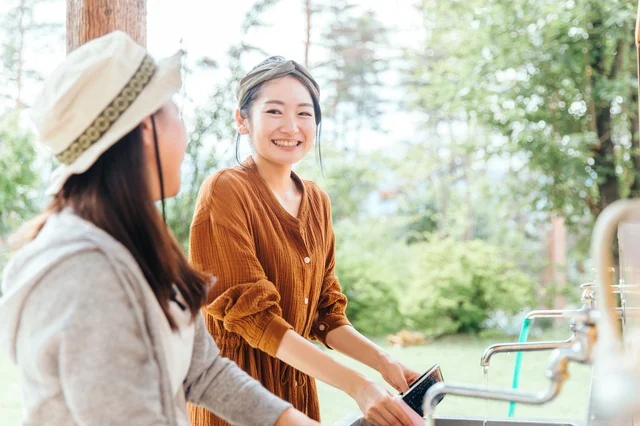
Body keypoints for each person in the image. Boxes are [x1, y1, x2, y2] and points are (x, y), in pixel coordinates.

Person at [0, 32, 317, 426]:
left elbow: (203, 371)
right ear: (146, 128)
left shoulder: (132, 241)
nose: (183, 134)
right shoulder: (85, 274)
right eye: (175, 114)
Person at [188, 56, 420, 426]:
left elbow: (326, 313)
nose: (291, 126)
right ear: (242, 120)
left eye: (304, 113)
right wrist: (358, 386)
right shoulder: (224, 191)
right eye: (275, 111)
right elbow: (256, 318)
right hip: (236, 402)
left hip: (298, 397)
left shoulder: (317, 201)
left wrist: (385, 363)